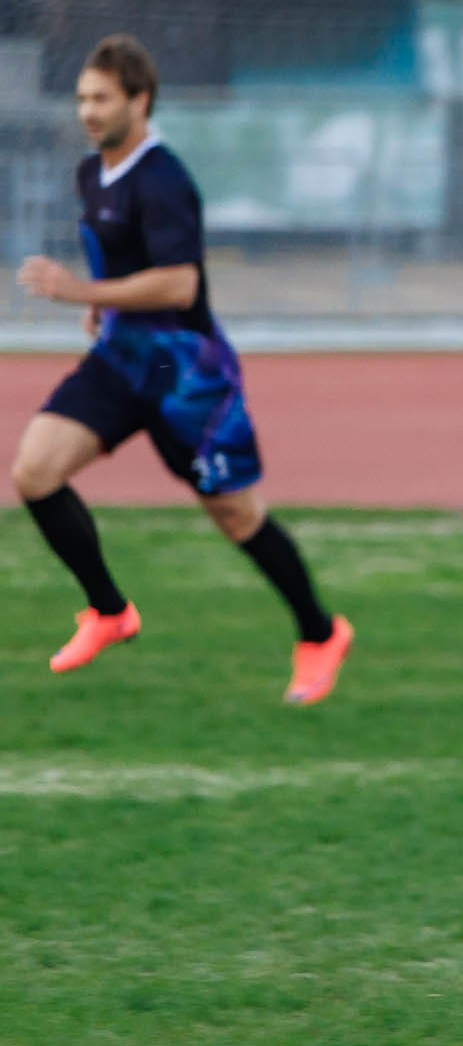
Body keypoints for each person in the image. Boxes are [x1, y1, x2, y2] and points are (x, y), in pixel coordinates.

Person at [12, 34, 352, 703]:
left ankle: (319, 633)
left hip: (184, 375)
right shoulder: (91, 171)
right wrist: (99, 308)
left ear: (139, 101)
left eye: (102, 98)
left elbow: (179, 287)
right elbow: (120, 261)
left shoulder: (165, 180)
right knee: (34, 471)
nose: (87, 110)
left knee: (236, 515)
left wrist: (83, 293)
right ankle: (109, 611)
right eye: (82, 97)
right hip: (119, 360)